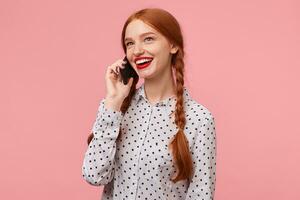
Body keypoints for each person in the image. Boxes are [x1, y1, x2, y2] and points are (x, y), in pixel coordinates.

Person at [82, 7, 217, 200]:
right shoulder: (116, 109)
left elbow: (201, 195)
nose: (136, 51)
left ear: (172, 45)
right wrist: (112, 103)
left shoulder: (199, 120)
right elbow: (94, 175)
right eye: (129, 43)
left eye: (148, 39)